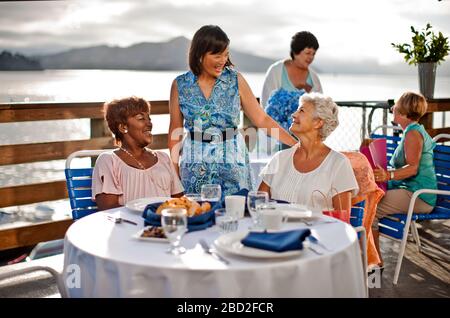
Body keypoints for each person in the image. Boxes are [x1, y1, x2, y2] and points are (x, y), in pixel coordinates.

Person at [168, 25, 297, 196]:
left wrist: (296, 144)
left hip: (233, 162)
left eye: (226, 54)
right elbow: (174, 132)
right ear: (200, 54)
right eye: (217, 55)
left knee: (237, 212)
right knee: (196, 214)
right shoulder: (180, 85)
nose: (223, 60)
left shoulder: (236, 80)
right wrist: (174, 175)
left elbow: (262, 120)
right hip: (194, 164)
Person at [259, 93, 358, 212]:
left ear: (318, 123)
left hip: (317, 230)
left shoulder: (339, 164)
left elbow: (343, 218)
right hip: (276, 229)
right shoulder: (279, 158)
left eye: (301, 111)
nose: (293, 115)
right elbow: (259, 203)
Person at [372, 91, 437, 268]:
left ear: (402, 113)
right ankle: (369, 256)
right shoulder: (411, 130)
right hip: (411, 190)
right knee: (368, 195)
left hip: (419, 195)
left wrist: (388, 176)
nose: (392, 109)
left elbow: (413, 168)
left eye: (396, 106)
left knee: (371, 208)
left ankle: (375, 262)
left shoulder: (412, 134)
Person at [92, 96, 184, 211]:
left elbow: (180, 201)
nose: (149, 123)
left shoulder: (163, 157)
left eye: (149, 118)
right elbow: (109, 209)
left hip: (164, 225)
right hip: (130, 226)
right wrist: (147, 215)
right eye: (141, 118)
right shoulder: (108, 160)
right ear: (123, 127)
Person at [260, 31, 323, 110]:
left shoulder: (314, 78)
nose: (311, 57)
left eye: (314, 54)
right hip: (274, 122)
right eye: (308, 53)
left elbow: (320, 108)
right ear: (296, 52)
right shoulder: (276, 71)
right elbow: (266, 103)